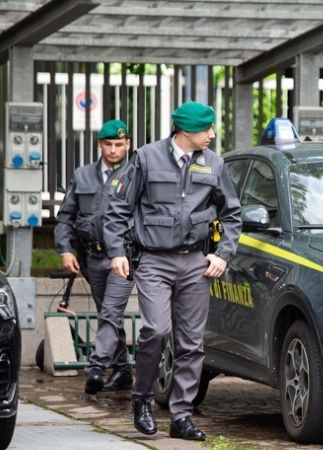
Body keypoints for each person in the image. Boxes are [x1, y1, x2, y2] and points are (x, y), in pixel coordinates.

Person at [103, 101, 242, 441]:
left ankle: (181, 415)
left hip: (195, 262)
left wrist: (222, 253)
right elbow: (118, 208)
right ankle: (142, 400)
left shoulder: (215, 163)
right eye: (206, 129)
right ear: (185, 131)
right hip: (154, 261)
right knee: (155, 330)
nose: (212, 134)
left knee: (192, 343)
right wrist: (117, 251)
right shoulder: (147, 158)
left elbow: (232, 214)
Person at [54, 119, 135, 395]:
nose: (113, 150)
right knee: (108, 315)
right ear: (100, 145)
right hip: (91, 258)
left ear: (128, 145)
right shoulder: (83, 175)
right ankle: (123, 370)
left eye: (119, 145)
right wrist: (65, 249)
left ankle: (97, 368)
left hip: (123, 259)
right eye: (108, 144)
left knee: (110, 313)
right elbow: (65, 216)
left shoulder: (135, 176)